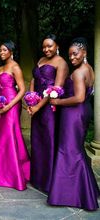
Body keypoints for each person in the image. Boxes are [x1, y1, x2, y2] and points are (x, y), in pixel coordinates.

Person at [47, 37, 99, 210]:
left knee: (69, 150)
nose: (72, 58)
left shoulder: (77, 73)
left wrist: (57, 102)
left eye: (75, 54)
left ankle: (71, 194)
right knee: (76, 149)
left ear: (84, 52)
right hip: (84, 112)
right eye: (70, 55)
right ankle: (86, 190)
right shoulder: (89, 69)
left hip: (73, 115)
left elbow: (79, 97)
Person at [27, 34, 69, 193]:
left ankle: (50, 181)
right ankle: (38, 178)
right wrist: (31, 100)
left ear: (57, 45)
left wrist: (38, 106)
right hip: (36, 105)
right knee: (37, 141)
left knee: (49, 140)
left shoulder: (62, 63)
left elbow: (56, 89)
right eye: (44, 46)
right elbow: (33, 80)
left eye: (50, 46)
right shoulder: (40, 60)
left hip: (49, 108)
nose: (46, 49)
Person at [0, 41, 30, 190]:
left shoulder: (15, 67)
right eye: (0, 50)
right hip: (0, 104)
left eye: (4, 50)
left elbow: (22, 89)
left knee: (10, 134)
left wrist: (7, 106)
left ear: (11, 51)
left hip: (12, 104)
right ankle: (0, 170)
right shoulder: (0, 68)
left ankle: (14, 173)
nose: (1, 52)